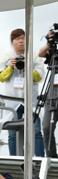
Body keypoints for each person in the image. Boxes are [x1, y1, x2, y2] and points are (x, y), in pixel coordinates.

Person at [0, 28, 45, 156]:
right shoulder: (6, 57)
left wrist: (27, 66)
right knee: (12, 134)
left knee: (36, 131)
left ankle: (39, 159)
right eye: (17, 38)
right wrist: (10, 67)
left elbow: (39, 77)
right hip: (12, 101)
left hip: (30, 101)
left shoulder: (34, 56)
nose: (21, 41)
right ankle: (15, 160)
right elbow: (1, 78)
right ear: (12, 41)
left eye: (23, 38)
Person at [39, 30, 58, 158]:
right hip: (52, 94)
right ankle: (52, 157)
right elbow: (41, 53)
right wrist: (49, 43)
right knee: (47, 127)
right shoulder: (54, 52)